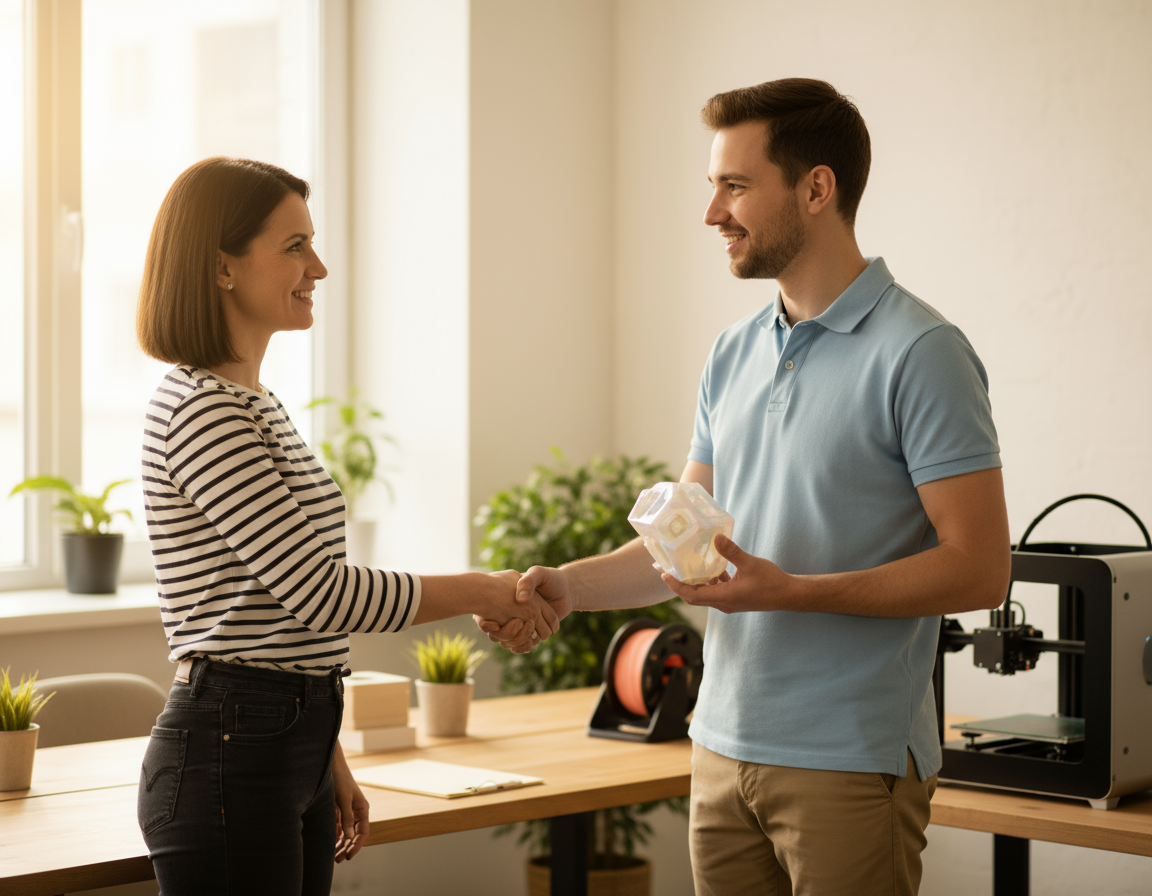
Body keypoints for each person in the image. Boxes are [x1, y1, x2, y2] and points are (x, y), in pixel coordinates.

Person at [480, 79, 1010, 896]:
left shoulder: (923, 351)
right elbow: (683, 540)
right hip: (720, 750)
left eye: (735, 185)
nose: (712, 213)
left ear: (816, 188)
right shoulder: (733, 351)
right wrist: (564, 588)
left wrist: (793, 592)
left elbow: (980, 569)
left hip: (849, 759)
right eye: (712, 187)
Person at [135, 157, 557, 896]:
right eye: (294, 246)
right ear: (223, 267)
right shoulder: (202, 409)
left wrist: (327, 759)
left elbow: (280, 622)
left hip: (282, 742)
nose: (318, 266)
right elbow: (321, 595)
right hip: (233, 753)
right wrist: (482, 592)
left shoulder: (255, 404)